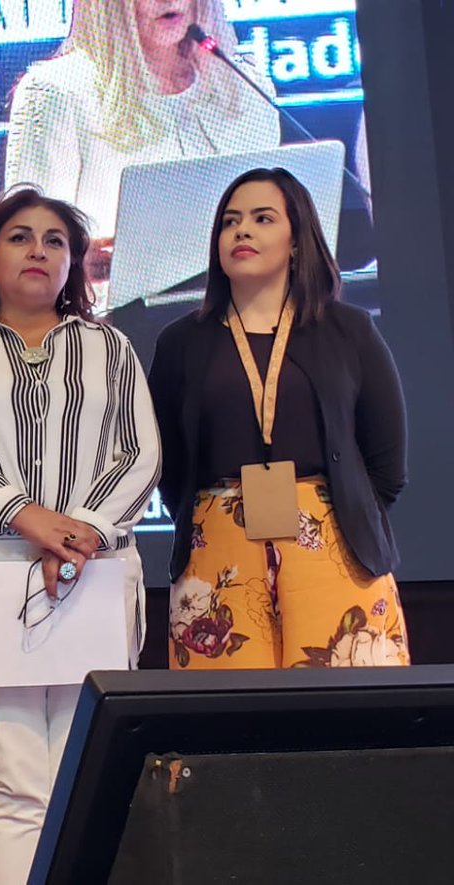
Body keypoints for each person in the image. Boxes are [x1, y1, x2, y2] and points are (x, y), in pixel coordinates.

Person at [0, 187, 160, 883]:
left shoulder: (110, 346)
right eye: (20, 236)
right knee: (16, 781)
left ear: (74, 262)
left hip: (99, 570)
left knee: (91, 773)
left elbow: (140, 454)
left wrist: (78, 536)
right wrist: (25, 515)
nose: (39, 249)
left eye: (55, 239)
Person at [148, 168, 409, 670]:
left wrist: (334, 513)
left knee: (343, 720)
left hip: (332, 548)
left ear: (296, 240)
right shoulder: (181, 342)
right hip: (216, 553)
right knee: (231, 725)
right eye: (230, 221)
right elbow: (169, 463)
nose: (242, 231)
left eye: (262, 218)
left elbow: (386, 467)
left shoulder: (348, 330)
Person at [4, 0, 280, 287]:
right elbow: (24, 249)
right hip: (112, 322)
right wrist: (72, 260)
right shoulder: (58, 92)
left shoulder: (244, 88)